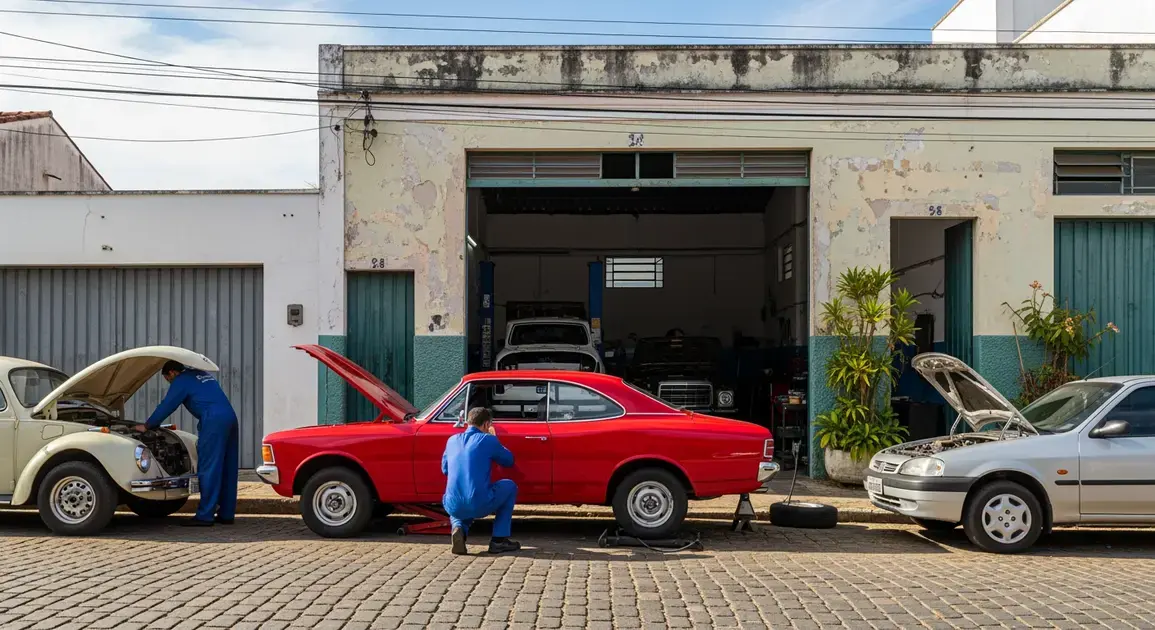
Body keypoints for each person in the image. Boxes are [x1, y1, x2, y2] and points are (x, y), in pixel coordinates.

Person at [134, 360, 239, 527]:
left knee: (209, 467)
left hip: (214, 421)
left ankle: (205, 516)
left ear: (172, 373)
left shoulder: (181, 380)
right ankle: (227, 513)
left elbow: (167, 405)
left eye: (168, 379)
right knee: (228, 467)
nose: (169, 382)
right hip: (230, 417)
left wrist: (147, 426)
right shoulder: (202, 374)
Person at [441, 407, 520, 555]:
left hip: (452, 505)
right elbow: (509, 460)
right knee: (509, 486)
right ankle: (499, 540)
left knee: (460, 494)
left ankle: (459, 528)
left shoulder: (451, 440)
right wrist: (495, 438)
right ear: (486, 424)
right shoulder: (488, 439)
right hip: (479, 502)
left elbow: (445, 470)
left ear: (467, 422)